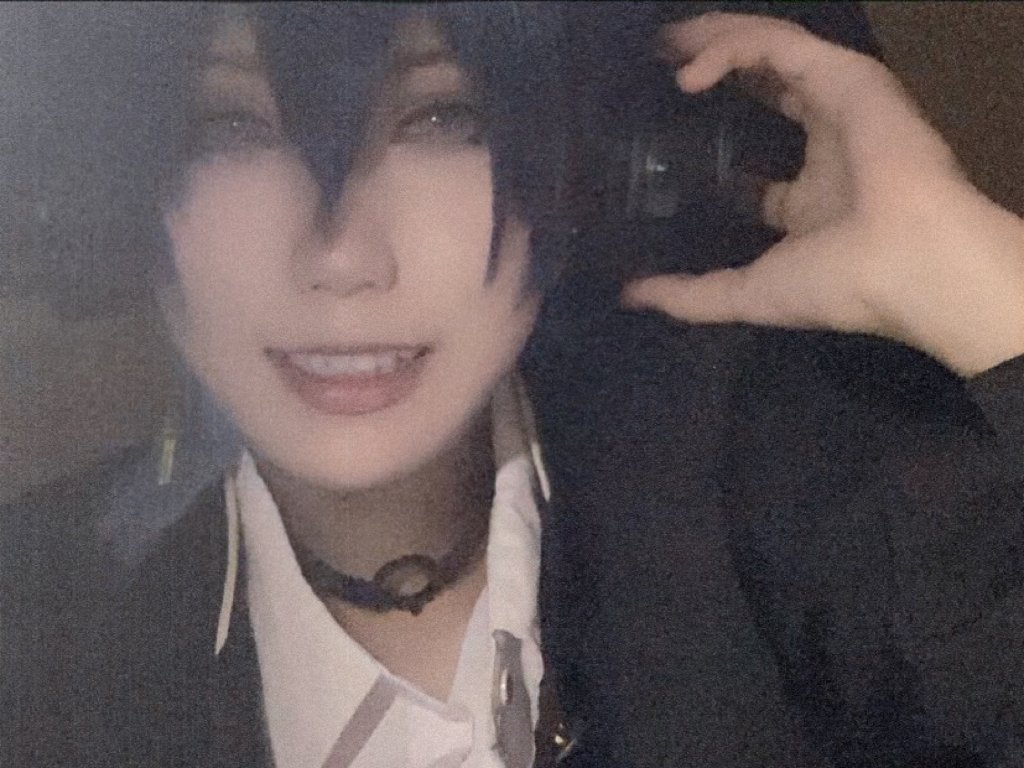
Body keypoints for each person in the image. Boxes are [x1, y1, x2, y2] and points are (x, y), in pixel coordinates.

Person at [2, 4, 1023, 767]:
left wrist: (980, 283)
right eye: (232, 131)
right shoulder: (36, 633)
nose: (343, 258)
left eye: (441, 117)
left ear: (588, 164)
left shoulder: (790, 499)